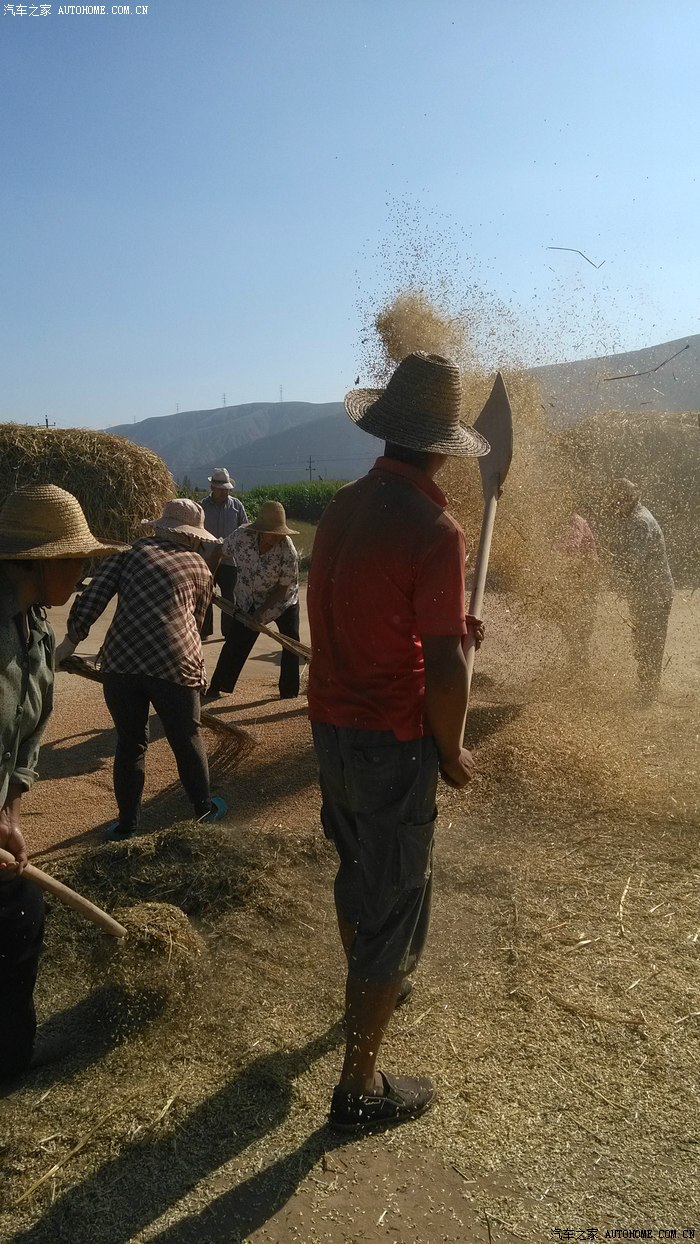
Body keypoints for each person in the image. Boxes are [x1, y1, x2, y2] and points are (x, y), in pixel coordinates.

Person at [307, 351, 490, 1134]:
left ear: (388, 431)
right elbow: (445, 667)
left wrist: (442, 632)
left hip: (331, 726)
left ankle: (374, 980)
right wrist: (450, 751)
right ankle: (358, 1086)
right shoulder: (434, 525)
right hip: (392, 735)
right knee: (395, 899)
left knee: (357, 866)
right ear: (443, 443)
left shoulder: (345, 506)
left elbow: (365, 613)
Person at [0, 483, 121, 1080]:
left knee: (17, 916)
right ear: (41, 560)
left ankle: (11, 1056)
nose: (83, 573)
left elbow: (26, 734)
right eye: (77, 561)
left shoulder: (36, 627)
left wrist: (10, 815)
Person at [55, 499, 227, 841]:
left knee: (130, 743)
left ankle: (127, 825)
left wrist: (67, 646)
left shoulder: (128, 553)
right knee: (186, 737)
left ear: (160, 527)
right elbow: (198, 624)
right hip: (176, 666)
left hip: (121, 665)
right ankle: (204, 809)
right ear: (192, 536)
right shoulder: (199, 566)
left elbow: (92, 597)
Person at [205, 501, 300, 701]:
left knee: (291, 642)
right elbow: (218, 553)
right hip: (248, 597)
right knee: (235, 642)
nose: (277, 537)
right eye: (272, 533)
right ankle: (217, 685)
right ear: (261, 530)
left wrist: (261, 612)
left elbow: (283, 588)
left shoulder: (287, 550)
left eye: (279, 533)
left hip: (282, 602)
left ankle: (289, 693)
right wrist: (209, 580)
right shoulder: (242, 537)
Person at [603, 478, 674, 703]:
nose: (616, 507)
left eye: (618, 502)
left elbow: (631, 563)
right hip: (648, 592)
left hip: (653, 593)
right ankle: (647, 690)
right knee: (645, 642)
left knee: (649, 643)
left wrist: (605, 566)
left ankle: (648, 695)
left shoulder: (640, 522)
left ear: (628, 499)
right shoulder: (636, 517)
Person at [200, 468, 248, 640]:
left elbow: (244, 529)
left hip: (230, 560)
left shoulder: (236, 506)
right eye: (221, 489)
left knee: (229, 597)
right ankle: (204, 630)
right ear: (212, 488)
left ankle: (229, 632)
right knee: (206, 593)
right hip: (206, 558)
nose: (225, 492)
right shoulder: (201, 507)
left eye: (227, 489)